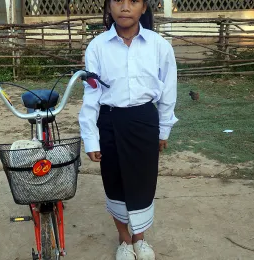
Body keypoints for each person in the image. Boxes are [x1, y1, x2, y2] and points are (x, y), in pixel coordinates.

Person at [78, 0, 178, 259]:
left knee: (143, 182)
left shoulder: (159, 45)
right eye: (118, 1)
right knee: (115, 181)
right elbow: (91, 95)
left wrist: (163, 129)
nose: (125, 7)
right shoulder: (97, 47)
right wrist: (91, 138)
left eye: (133, 1)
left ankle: (140, 239)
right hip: (109, 121)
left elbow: (168, 89)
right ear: (108, 7)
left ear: (143, 8)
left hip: (144, 120)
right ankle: (124, 240)